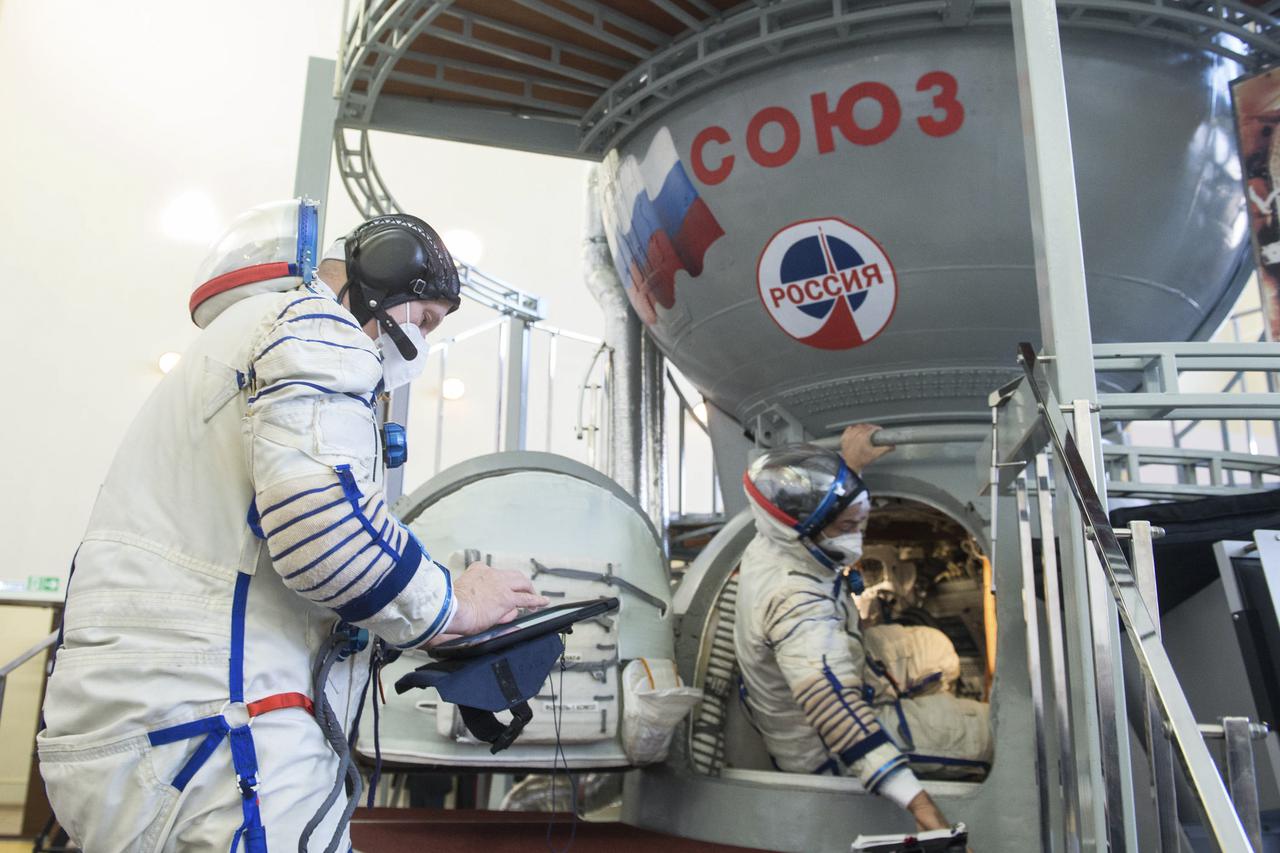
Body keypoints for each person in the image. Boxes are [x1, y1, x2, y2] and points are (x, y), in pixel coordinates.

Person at [37, 199, 548, 852]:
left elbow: (266, 557)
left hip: (149, 728)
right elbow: (325, 537)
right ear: (383, 271)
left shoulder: (245, 340)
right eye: (423, 318)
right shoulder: (313, 327)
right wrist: (452, 603)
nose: (419, 345)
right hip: (212, 726)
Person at [735, 424, 992, 832]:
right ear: (805, 531)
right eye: (846, 528)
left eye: (861, 520)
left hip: (851, 666)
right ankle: (931, 726)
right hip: (826, 743)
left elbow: (815, 499)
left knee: (940, 650)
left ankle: (927, 709)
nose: (859, 534)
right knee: (986, 731)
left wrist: (849, 467)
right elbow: (835, 711)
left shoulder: (775, 535)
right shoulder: (794, 601)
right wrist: (925, 810)